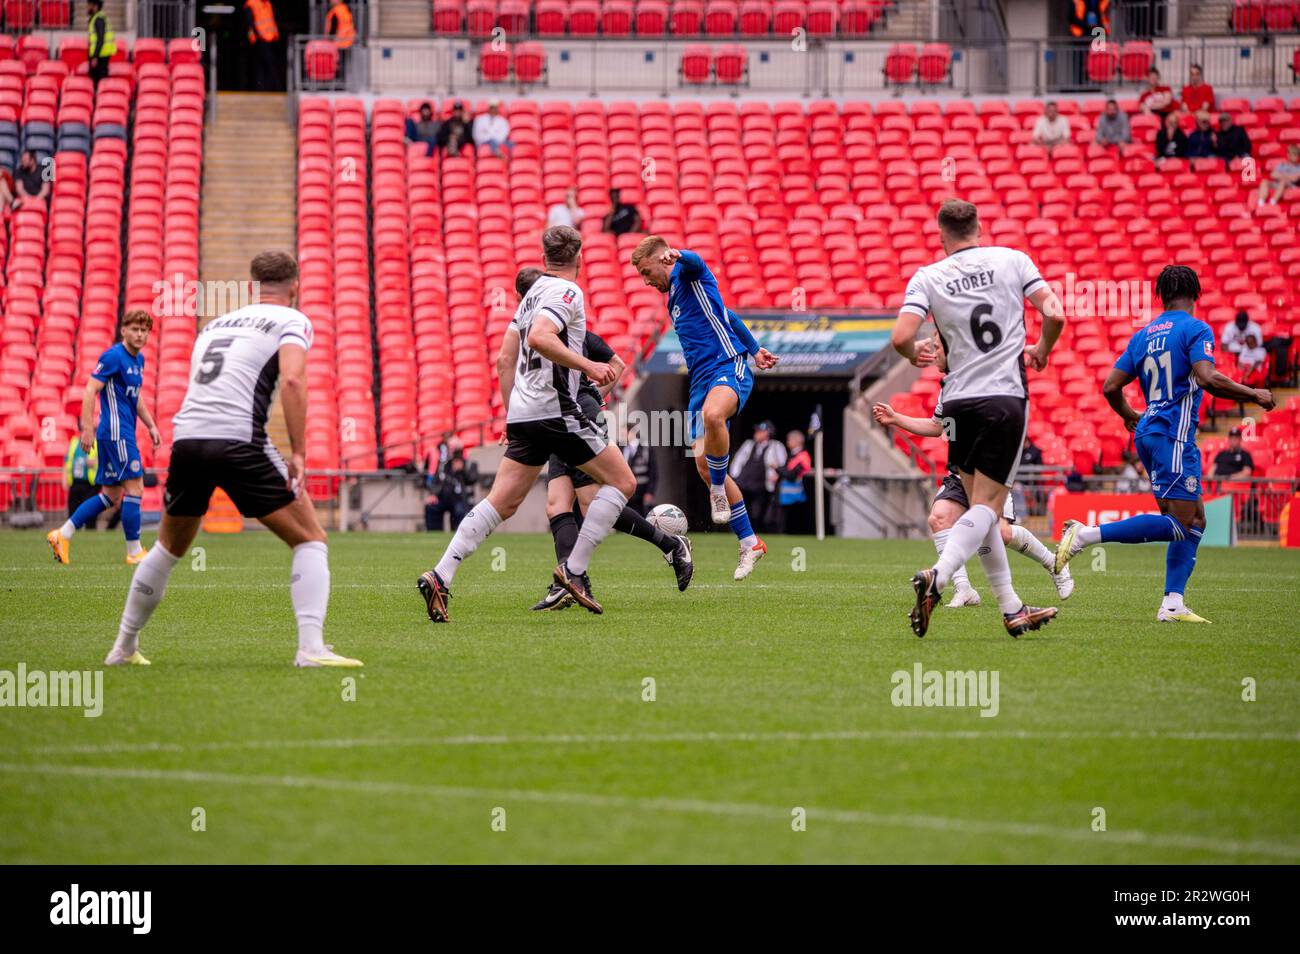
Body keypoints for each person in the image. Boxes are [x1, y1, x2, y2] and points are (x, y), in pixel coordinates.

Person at [102, 252, 361, 668]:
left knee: (168, 548)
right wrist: (298, 451)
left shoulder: (214, 326)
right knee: (311, 538)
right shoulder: (292, 320)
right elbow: (293, 379)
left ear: (252, 287)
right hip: (238, 440)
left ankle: (123, 647)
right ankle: (311, 649)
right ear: (295, 287)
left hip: (187, 439)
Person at [417, 227, 638, 621]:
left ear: (545, 256)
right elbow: (539, 337)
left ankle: (441, 575)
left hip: (523, 412)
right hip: (557, 410)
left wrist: (509, 414)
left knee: (502, 502)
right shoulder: (567, 293)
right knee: (623, 482)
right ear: (580, 259)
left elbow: (505, 359)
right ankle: (573, 570)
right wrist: (588, 365)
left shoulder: (531, 295)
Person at [1056, 265, 1274, 624]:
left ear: (1162, 295)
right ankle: (1085, 535)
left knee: (1196, 519)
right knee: (1179, 524)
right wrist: (1254, 394)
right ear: (1196, 293)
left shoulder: (1143, 335)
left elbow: (1111, 386)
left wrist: (1130, 415)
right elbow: (1207, 378)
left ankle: (1173, 603)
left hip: (1148, 433)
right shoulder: (1195, 328)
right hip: (1173, 434)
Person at [893, 198, 1066, 639]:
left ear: (941, 236)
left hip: (956, 402)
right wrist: (1042, 352)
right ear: (980, 228)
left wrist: (914, 354)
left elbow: (901, 338)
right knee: (988, 510)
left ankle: (1011, 607)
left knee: (978, 510)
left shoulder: (928, 275)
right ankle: (939, 575)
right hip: (1002, 396)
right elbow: (1055, 312)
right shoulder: (1013, 259)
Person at [498, 267, 692, 611]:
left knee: (591, 504)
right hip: (555, 418)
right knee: (556, 504)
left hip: (578, 415)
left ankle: (670, 545)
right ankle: (569, 581)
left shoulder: (562, 327)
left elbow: (616, 362)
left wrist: (594, 395)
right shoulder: (536, 328)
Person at [631, 236, 780, 580]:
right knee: (701, 462)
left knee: (715, 417)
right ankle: (749, 542)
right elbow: (726, 315)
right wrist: (757, 348)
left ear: (664, 261)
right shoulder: (674, 299)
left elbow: (696, 262)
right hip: (699, 381)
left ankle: (717, 492)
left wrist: (680, 255)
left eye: (646, 271)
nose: (645, 280)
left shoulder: (688, 273)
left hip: (728, 366)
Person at [873, 400, 1073, 606]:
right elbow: (936, 426)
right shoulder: (949, 387)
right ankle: (964, 589)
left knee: (1002, 534)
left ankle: (1054, 564)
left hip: (991, 474)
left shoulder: (987, 381)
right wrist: (896, 418)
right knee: (939, 518)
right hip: (959, 474)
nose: (936, 366)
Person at [47, 310, 161, 566]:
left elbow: (136, 397)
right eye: (135, 329)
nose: (140, 334)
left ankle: (62, 535)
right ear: (123, 330)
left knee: (110, 495)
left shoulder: (139, 360)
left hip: (123, 433)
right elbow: (90, 389)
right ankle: (134, 552)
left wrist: (151, 425)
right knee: (136, 488)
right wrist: (87, 428)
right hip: (116, 433)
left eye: (144, 330)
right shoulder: (113, 356)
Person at [730, 420, 786, 534]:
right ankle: (738, 532)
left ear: (768, 433)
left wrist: (776, 475)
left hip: (761, 485)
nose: (757, 433)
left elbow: (781, 463)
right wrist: (734, 477)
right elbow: (738, 461)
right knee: (739, 508)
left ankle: (754, 533)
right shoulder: (748, 444)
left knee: (757, 512)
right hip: (744, 482)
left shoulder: (776, 446)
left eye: (760, 431)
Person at [424, 448, 477, 531]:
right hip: (443, 497)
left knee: (459, 511)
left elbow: (471, 480)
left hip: (459, 498)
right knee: (431, 507)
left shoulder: (470, 464)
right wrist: (433, 494)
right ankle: (434, 534)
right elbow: (436, 480)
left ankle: (457, 533)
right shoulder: (444, 465)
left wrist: (461, 470)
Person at [776, 429, 813, 535]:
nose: (787, 442)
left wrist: (777, 468)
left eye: (790, 439)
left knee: (796, 519)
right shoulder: (792, 455)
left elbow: (791, 475)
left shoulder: (802, 456)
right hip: (788, 494)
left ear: (798, 441)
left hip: (798, 495)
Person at [63, 425, 99, 528]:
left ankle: (91, 532)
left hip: (91, 484)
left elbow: (105, 461)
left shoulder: (97, 443)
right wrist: (64, 477)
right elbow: (67, 460)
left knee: (90, 514)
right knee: (73, 512)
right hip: (75, 482)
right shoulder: (74, 442)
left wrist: (95, 462)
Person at [245, 0, 280, 92]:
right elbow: (250, 22)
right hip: (259, 39)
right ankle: (268, 88)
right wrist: (257, 36)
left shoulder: (268, 3)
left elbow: (271, 19)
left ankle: (267, 88)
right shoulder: (252, 3)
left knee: (266, 65)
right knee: (265, 65)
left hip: (270, 38)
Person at [622, 423, 656, 514]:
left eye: (624, 432)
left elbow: (653, 472)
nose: (622, 435)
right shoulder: (620, 448)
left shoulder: (646, 448)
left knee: (642, 517)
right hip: (626, 491)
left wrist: (650, 492)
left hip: (641, 491)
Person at [86, 0, 116, 89]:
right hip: (100, 54)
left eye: (89, 5)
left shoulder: (99, 19)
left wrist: (95, 56)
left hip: (100, 56)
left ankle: (100, 100)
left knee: (99, 81)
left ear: (95, 6)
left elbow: (100, 39)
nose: (87, 7)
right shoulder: (96, 17)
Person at [325, 0, 355, 84]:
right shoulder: (345, 9)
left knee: (337, 65)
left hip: (338, 43)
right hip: (348, 41)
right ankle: (345, 82)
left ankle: (338, 83)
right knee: (345, 65)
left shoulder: (335, 12)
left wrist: (329, 40)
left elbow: (332, 29)